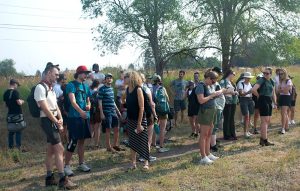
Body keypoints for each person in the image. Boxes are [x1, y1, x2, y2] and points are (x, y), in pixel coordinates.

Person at [34, 62, 76, 189]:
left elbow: (56, 106)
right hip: (47, 121)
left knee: (51, 150)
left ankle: (49, 178)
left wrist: (61, 118)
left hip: (53, 120)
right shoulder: (40, 88)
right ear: (48, 73)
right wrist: (56, 121)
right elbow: (44, 108)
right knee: (60, 149)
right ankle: (63, 179)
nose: (57, 77)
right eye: (56, 74)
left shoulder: (50, 88)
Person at [64, 65, 92, 177]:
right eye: (84, 73)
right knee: (73, 141)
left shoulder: (85, 86)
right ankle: (66, 166)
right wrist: (81, 112)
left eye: (87, 73)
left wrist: (89, 105)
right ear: (79, 73)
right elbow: (72, 101)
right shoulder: (71, 85)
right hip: (74, 117)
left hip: (84, 117)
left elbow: (88, 99)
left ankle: (81, 163)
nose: (86, 75)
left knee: (82, 141)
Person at [196, 70, 225, 165]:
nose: (214, 83)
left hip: (211, 111)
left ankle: (208, 154)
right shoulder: (200, 86)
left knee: (209, 133)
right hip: (205, 112)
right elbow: (201, 100)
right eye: (213, 81)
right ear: (208, 78)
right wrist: (212, 95)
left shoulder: (209, 85)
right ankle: (203, 156)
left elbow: (210, 96)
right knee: (204, 135)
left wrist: (216, 94)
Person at [126, 71, 150, 170]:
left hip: (140, 119)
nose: (124, 79)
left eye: (125, 77)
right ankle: (133, 163)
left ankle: (146, 163)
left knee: (143, 141)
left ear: (131, 78)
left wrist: (139, 123)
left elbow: (142, 107)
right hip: (131, 120)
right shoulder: (127, 89)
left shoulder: (138, 89)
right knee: (132, 142)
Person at [98, 73, 124, 152]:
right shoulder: (102, 89)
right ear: (105, 80)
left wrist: (118, 111)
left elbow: (112, 101)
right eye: (108, 78)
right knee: (108, 129)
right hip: (106, 111)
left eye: (110, 78)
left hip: (113, 111)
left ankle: (115, 145)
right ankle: (108, 147)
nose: (109, 79)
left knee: (116, 128)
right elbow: (100, 102)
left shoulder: (111, 89)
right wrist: (101, 113)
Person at [252, 67, 277, 146]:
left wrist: (275, 102)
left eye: (267, 73)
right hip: (263, 99)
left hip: (269, 100)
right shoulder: (261, 80)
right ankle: (265, 140)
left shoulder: (272, 81)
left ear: (270, 74)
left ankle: (262, 139)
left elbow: (273, 93)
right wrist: (259, 96)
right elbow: (253, 89)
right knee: (264, 120)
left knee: (268, 120)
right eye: (264, 73)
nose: (265, 74)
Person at [140, 73, 158, 162]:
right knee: (148, 137)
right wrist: (155, 114)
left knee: (141, 137)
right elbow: (151, 104)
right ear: (144, 79)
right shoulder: (146, 88)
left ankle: (141, 155)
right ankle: (146, 156)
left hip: (138, 116)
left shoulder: (132, 89)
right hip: (147, 115)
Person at [3, 79, 24, 150]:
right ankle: (18, 147)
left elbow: (5, 105)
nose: (17, 86)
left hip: (10, 114)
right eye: (17, 85)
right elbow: (19, 103)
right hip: (17, 113)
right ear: (14, 84)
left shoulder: (5, 93)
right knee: (18, 130)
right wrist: (22, 101)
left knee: (11, 131)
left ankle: (10, 147)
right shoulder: (15, 92)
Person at [153, 74, 170, 153]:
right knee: (162, 128)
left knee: (154, 125)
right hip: (162, 110)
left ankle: (153, 143)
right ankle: (161, 146)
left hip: (153, 110)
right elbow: (167, 99)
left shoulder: (150, 88)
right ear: (160, 81)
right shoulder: (162, 88)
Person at [220, 69, 239, 140]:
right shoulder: (223, 81)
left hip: (233, 102)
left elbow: (233, 90)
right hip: (226, 102)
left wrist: (235, 92)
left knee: (231, 118)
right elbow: (221, 91)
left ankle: (232, 134)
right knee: (227, 118)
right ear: (229, 74)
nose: (234, 76)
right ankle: (227, 135)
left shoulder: (231, 82)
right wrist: (231, 92)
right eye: (233, 74)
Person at [211, 67, 225, 151]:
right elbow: (214, 94)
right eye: (219, 74)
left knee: (215, 126)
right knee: (214, 126)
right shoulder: (213, 83)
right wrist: (224, 90)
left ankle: (214, 142)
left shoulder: (216, 83)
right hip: (216, 107)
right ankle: (212, 145)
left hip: (219, 106)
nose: (220, 76)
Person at [237, 72, 255, 138]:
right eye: (248, 78)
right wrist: (249, 92)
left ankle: (247, 131)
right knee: (246, 116)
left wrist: (247, 92)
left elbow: (246, 92)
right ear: (245, 78)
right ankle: (245, 132)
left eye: (250, 78)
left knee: (249, 116)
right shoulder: (240, 83)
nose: (249, 79)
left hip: (250, 99)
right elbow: (241, 94)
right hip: (243, 100)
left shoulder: (250, 83)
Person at [277, 69, 292, 134]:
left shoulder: (288, 80)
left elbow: (286, 91)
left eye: (281, 74)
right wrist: (282, 90)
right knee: (283, 113)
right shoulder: (281, 81)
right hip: (282, 97)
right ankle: (287, 127)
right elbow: (278, 90)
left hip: (286, 97)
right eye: (279, 74)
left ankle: (283, 128)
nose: (280, 75)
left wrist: (281, 90)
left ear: (285, 73)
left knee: (284, 113)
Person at [89, 79, 102, 148]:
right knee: (97, 128)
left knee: (91, 128)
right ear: (98, 84)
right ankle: (96, 143)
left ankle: (91, 143)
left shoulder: (89, 90)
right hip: (97, 111)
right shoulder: (99, 91)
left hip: (91, 110)